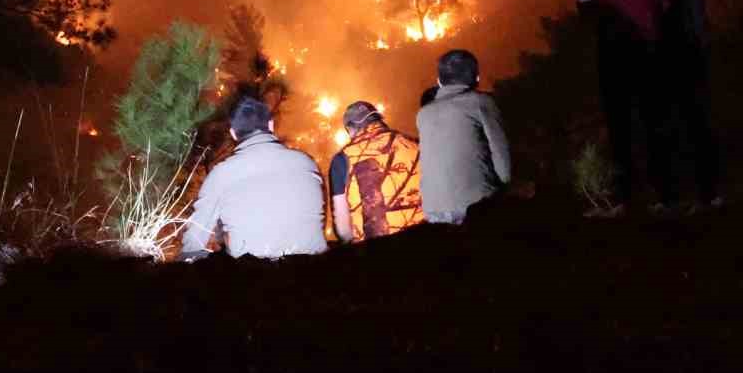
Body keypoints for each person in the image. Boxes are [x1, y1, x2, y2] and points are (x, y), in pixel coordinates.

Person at [576, 0, 720, 216]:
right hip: (652, 49)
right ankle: (669, 195)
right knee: (658, 122)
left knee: (620, 128)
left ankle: (628, 198)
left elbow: (586, 10)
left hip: (613, 54)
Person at [180, 96, 328, 259]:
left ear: (233, 133)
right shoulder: (307, 163)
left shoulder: (221, 174)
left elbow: (193, 243)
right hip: (315, 274)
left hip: (254, 277)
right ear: (271, 125)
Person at [416, 49, 511, 224]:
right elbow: (503, 165)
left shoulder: (423, 114)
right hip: (475, 206)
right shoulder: (482, 103)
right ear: (477, 78)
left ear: (439, 82)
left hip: (433, 211)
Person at [328, 101, 424, 243]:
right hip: (425, 244)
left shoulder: (343, 159)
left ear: (350, 128)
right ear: (379, 120)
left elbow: (343, 231)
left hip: (376, 255)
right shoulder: (415, 145)